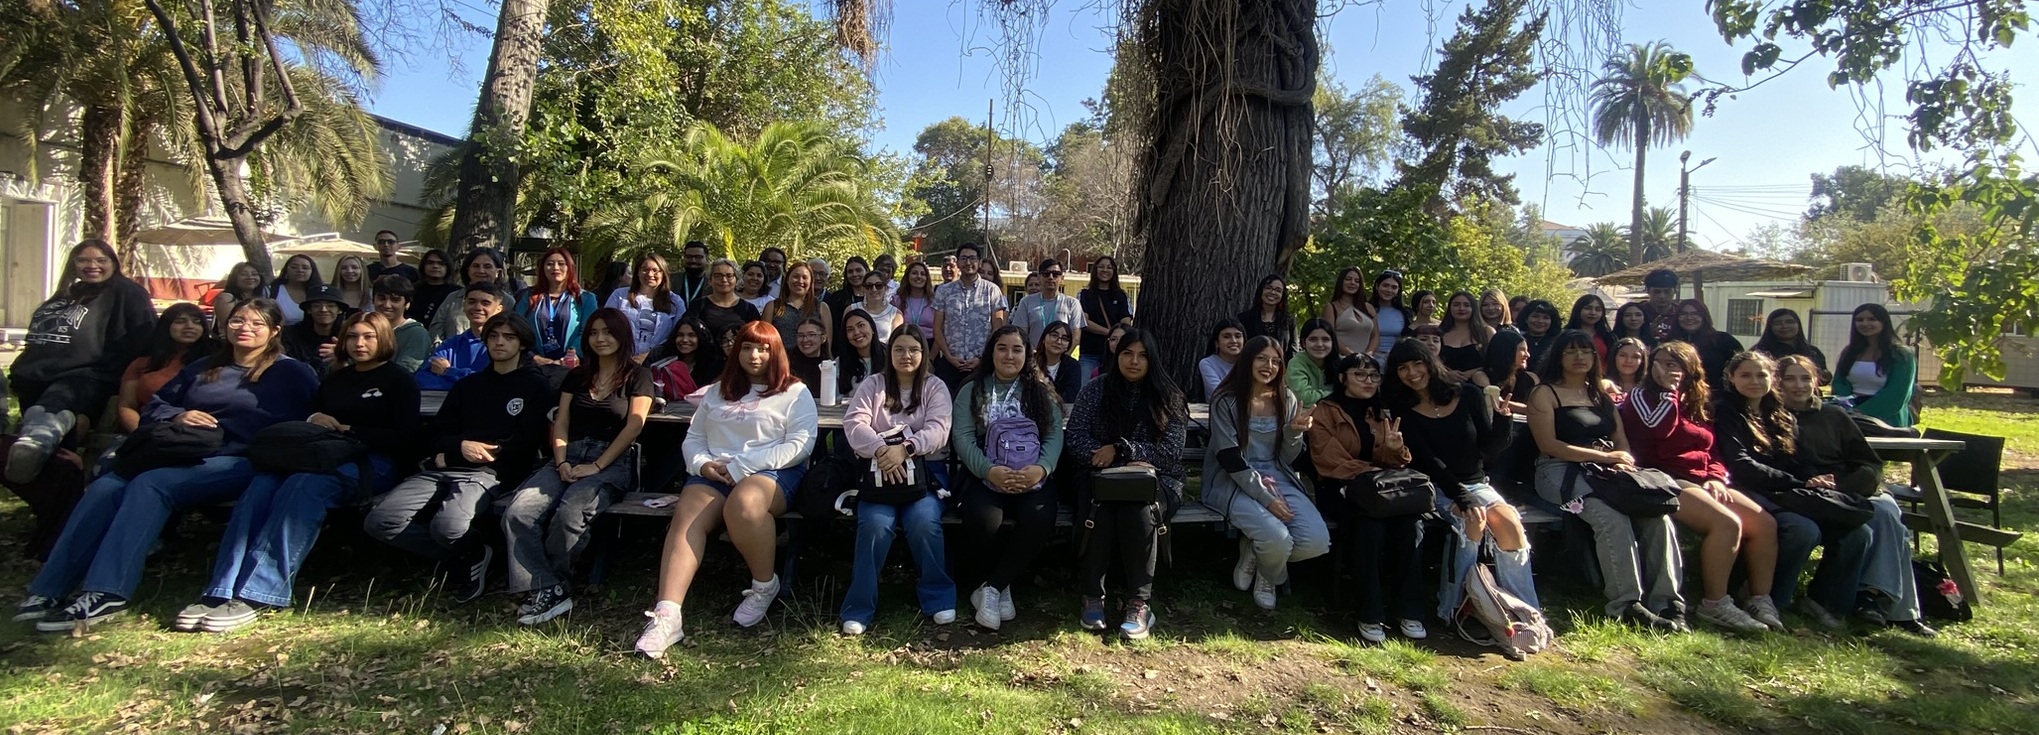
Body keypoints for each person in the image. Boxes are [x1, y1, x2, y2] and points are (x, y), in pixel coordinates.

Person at [16, 299, 318, 630]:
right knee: (105, 487)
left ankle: (107, 591)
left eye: (257, 323)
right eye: (237, 321)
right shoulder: (204, 367)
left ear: (274, 331)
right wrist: (179, 415)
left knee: (152, 485)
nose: (245, 328)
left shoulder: (291, 373)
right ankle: (48, 589)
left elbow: (315, 415)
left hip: (242, 460)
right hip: (182, 452)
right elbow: (156, 406)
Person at [178, 311, 418, 633]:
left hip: (372, 463)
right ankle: (220, 590)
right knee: (262, 484)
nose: (359, 344)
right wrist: (316, 418)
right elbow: (313, 415)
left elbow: (406, 437)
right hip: (321, 454)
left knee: (304, 487)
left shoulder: (398, 380)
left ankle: (260, 593)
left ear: (384, 339)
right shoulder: (336, 379)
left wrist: (350, 430)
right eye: (352, 336)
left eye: (368, 337)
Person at [635, 321, 816, 657]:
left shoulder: (794, 392)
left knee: (745, 504)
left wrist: (743, 467)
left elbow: (800, 445)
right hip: (715, 472)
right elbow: (694, 437)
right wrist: (702, 464)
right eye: (747, 348)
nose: (754, 355)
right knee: (688, 514)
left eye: (763, 349)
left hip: (772, 471)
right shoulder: (718, 390)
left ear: (776, 352)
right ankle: (667, 615)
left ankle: (764, 585)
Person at [362, 313, 553, 602]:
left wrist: (461, 455)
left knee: (448, 526)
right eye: (493, 336)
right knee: (380, 520)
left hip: (490, 473)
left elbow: (526, 442)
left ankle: (468, 552)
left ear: (523, 344)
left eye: (509, 337)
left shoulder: (535, 386)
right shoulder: (469, 386)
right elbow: (435, 434)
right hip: (444, 467)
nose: (499, 342)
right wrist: (459, 447)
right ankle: (470, 554)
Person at [1753, 354, 1935, 635]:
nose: (1799, 385)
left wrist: (1844, 486)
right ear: (1777, 382)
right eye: (1790, 379)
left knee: (1887, 514)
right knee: (1867, 524)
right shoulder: (1771, 417)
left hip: (1850, 489)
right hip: (1807, 493)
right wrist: (1814, 484)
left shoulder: (1834, 416)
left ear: (1816, 382)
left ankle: (1887, 604)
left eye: (1805, 378)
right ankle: (1870, 600)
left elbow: (1869, 464)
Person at [501, 309, 653, 625]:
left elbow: (634, 427)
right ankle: (548, 587)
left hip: (612, 460)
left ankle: (556, 581)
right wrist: (561, 461)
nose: (600, 338)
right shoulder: (577, 376)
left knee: (570, 512)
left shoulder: (638, 376)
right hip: (568, 455)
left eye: (608, 332)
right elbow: (561, 422)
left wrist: (597, 465)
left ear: (622, 335)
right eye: (594, 332)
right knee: (519, 511)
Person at [1527, 330, 1686, 630]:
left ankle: (1667, 601)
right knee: (1611, 519)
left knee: (1657, 516)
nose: (1579, 357)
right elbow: (1549, 445)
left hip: (1608, 470)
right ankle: (1625, 605)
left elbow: (1620, 439)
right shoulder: (1544, 393)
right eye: (1570, 351)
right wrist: (1607, 457)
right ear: (1558, 356)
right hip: (1559, 471)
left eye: (1585, 351)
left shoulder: (1599, 395)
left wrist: (1621, 460)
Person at [1621, 341, 1777, 633]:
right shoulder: (1642, 396)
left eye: (1673, 364)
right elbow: (1656, 429)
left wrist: (1716, 477)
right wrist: (1667, 392)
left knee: (1763, 524)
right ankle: (1714, 603)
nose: (1665, 369)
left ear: (1690, 368)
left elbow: (1711, 448)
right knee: (1726, 523)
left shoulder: (1699, 400)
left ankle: (1759, 599)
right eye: (1660, 363)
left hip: (1702, 479)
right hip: (1662, 477)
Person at [1380, 339, 1540, 622]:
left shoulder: (1468, 394)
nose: (1412, 373)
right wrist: (1462, 497)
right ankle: (1455, 608)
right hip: (1434, 486)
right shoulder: (1402, 407)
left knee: (1510, 523)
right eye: (1403, 368)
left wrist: (1503, 421)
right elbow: (1429, 461)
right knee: (1473, 520)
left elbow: (1488, 449)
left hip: (1475, 482)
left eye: (1417, 364)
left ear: (1430, 363)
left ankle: (1524, 610)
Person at [1065, 328, 1188, 640]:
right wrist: (1110, 461)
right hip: (1098, 475)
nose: (1134, 361)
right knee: (1099, 508)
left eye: (1142, 355)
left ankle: (1139, 602)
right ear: (1116, 355)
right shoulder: (1095, 390)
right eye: (1127, 353)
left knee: (1140, 511)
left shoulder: (1168, 395)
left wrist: (1121, 450)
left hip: (1158, 480)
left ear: (1152, 359)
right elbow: (1076, 437)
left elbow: (1170, 452)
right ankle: (1092, 595)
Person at [836, 324, 955, 635]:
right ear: (889, 353)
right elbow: (854, 424)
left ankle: (939, 596)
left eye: (914, 350)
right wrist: (881, 451)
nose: (906, 355)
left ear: (923, 353)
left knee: (924, 521)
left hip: (925, 476)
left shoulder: (934, 387)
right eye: (899, 349)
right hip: (878, 475)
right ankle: (859, 607)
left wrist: (906, 449)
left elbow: (939, 429)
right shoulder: (873, 385)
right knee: (875, 524)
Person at [6, 240, 157, 482]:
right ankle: (54, 483)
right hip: (35, 378)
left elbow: (145, 337)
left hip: (86, 375)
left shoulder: (127, 293)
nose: (92, 265)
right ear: (73, 264)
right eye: (83, 260)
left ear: (113, 263)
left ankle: (36, 444)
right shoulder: (70, 292)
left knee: (56, 410)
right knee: (70, 427)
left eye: (101, 260)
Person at [950, 326, 1064, 630]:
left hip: (1032, 475)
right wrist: (989, 471)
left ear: (1027, 354)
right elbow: (962, 438)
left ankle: (992, 587)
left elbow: (1054, 435)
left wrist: (1041, 469)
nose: (1009, 355)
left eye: (1017, 349)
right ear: (991, 352)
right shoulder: (971, 389)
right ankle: (1001, 586)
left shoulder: (1040, 390)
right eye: (1002, 348)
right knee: (984, 518)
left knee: (1040, 517)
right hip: (985, 474)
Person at [1205, 336, 1327, 611]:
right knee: (1277, 538)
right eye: (1261, 358)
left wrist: (1293, 432)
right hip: (1233, 480)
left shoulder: (1287, 398)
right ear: (1248, 360)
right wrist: (1266, 499)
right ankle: (1270, 577)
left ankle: (1259, 558)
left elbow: (1286, 458)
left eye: (1275, 361)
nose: (1268, 366)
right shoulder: (1225, 400)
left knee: (1316, 542)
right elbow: (1229, 458)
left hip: (1278, 475)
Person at [1307, 353, 1421, 642]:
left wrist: (1394, 449)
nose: (1368, 381)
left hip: (1379, 490)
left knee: (1411, 525)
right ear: (1342, 378)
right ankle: (1369, 612)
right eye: (1360, 374)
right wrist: (1368, 470)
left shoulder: (1381, 413)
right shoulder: (1325, 411)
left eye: (1373, 375)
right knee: (1370, 527)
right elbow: (1327, 458)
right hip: (1338, 488)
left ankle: (1408, 609)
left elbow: (1394, 463)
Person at [115, 305, 217, 434]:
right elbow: (127, 405)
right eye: (180, 321)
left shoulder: (216, 362)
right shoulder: (142, 363)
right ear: (166, 326)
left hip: (205, 433)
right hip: (152, 432)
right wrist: (141, 435)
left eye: (197, 322)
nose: (189, 326)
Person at [932, 243, 1008, 392]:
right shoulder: (944, 291)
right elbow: (937, 328)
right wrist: (949, 357)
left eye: (972, 258)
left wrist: (982, 358)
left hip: (982, 365)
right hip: (950, 364)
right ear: (958, 263)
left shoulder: (992, 290)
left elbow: (997, 328)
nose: (968, 262)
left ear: (979, 262)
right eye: (964, 258)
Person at [1832, 303, 1916, 427]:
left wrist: (1862, 412)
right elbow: (1839, 382)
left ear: (1884, 322)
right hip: (1849, 418)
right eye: (1859, 320)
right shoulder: (1849, 352)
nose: (1865, 323)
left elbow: (1897, 393)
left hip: (1887, 419)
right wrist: (1848, 408)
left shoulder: (1901, 355)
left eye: (1872, 319)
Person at [416, 284, 510, 390]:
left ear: (499, 309)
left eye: (485, 303)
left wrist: (448, 371)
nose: (478, 307)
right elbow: (422, 379)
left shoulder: (503, 345)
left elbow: (496, 382)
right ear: (464, 305)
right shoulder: (450, 345)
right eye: (472, 302)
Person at [514, 247, 598, 364]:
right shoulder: (528, 296)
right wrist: (534, 357)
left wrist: (571, 356)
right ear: (542, 268)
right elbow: (516, 328)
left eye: (561, 264)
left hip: (572, 366)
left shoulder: (585, 298)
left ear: (570, 268)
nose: (555, 268)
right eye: (550, 264)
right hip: (533, 364)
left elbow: (588, 331)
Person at [427, 248, 509, 343]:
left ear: (498, 272)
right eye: (475, 266)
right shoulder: (453, 297)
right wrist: (445, 349)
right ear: (468, 270)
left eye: (487, 266)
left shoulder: (507, 301)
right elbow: (436, 329)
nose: (481, 271)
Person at [1078, 255, 1134, 380]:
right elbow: (1084, 321)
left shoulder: (1121, 295)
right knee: (1084, 386)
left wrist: (1116, 336)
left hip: (1115, 353)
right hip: (1090, 353)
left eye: (1109, 267)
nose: (1105, 270)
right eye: (1101, 267)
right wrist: (1110, 333)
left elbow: (1126, 321)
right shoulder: (1085, 294)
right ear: (1095, 270)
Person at [1670, 299, 1745, 390]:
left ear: (1704, 316)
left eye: (1695, 314)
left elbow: (1743, 366)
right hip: (1679, 393)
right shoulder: (1670, 343)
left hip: (1716, 395)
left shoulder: (1723, 340)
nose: (1689, 318)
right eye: (1683, 314)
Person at [688, 258, 764, 343]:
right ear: (710, 280)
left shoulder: (749, 309)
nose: (724, 280)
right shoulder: (697, 306)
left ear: (737, 279)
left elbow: (756, 339)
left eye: (729, 276)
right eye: (718, 276)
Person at [1012, 258, 1082, 347]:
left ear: (1062, 278)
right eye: (1046, 274)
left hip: (1061, 354)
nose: (1050, 277)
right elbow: (1021, 334)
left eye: (1055, 274)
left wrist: (1065, 355)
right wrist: (1031, 354)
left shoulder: (1072, 304)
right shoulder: (1026, 302)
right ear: (1039, 277)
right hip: (1034, 354)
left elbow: (1075, 338)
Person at [646, 315, 717, 402]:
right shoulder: (658, 356)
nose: (685, 340)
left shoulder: (712, 362)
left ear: (700, 338)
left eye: (692, 335)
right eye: (680, 335)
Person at [281, 286, 347, 378]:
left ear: (340, 310)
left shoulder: (349, 335)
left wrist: (342, 355)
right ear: (309, 310)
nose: (323, 310)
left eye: (331, 305)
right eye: (317, 305)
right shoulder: (289, 335)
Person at [371, 275, 432, 373]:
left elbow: (406, 371)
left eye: (395, 300)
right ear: (373, 300)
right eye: (381, 298)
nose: (387, 305)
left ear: (407, 304)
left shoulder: (417, 334)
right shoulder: (362, 329)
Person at [766, 261, 833, 350]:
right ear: (787, 279)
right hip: (780, 357)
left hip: (812, 358)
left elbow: (827, 344)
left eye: (805, 277)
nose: (800, 281)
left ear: (811, 282)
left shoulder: (821, 307)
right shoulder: (773, 306)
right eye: (795, 276)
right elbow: (764, 339)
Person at [1751, 308, 1829, 382]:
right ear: (1770, 327)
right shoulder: (1759, 352)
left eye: (1790, 322)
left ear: (1798, 324)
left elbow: (1822, 379)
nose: (1784, 326)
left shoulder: (1813, 351)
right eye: (1777, 323)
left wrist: (1825, 376)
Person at [1470, 329, 1537, 415]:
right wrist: (1532, 410)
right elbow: (1495, 401)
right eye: (1522, 350)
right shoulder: (1482, 376)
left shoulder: (1532, 378)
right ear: (1507, 351)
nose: (1527, 355)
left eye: (1527, 350)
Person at [1321, 267, 1376, 359]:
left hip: (1366, 361)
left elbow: (1375, 336)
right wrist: (1352, 356)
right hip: (1341, 360)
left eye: (1357, 281)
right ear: (1341, 281)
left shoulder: (1368, 308)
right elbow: (1329, 336)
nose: (1352, 283)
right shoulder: (1331, 308)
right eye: (1348, 279)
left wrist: (1368, 355)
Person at [1287, 318, 1339, 409]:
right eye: (1313, 339)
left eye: (1325, 339)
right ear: (1303, 343)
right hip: (1305, 415)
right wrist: (1337, 395)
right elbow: (1303, 398)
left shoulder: (1342, 363)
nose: (1319, 344)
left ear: (1332, 342)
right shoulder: (1296, 364)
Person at [1437, 291, 1489, 380]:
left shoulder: (1487, 332)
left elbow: (1494, 361)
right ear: (1450, 308)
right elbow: (1431, 359)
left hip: (1479, 383)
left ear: (1473, 308)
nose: (1461, 308)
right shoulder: (1439, 333)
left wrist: (1473, 372)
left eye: (1466, 305)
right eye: (1456, 305)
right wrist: (1446, 373)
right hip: (1446, 382)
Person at [1238, 275, 1295, 353]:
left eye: (1278, 290)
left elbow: (1293, 350)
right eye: (1268, 288)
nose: (1273, 292)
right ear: (1261, 291)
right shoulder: (1244, 319)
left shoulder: (1289, 320)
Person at [825, 256, 867, 356]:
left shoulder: (874, 296)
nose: (854, 274)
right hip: (844, 351)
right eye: (850, 272)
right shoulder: (837, 298)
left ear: (867, 271)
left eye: (858, 270)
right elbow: (833, 329)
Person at [837, 310, 887, 396]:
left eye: (861, 325)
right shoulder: (840, 362)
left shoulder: (889, 356)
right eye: (850, 330)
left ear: (872, 328)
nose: (856, 332)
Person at [210, 262, 268, 335]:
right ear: (234, 278)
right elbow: (230, 326)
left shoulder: (263, 297)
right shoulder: (226, 298)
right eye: (244, 274)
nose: (250, 277)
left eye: (254, 274)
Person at [1197, 318, 1248, 400]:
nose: (1233, 341)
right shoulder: (1208, 363)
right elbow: (1219, 392)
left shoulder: (1250, 362)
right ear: (1217, 343)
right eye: (1226, 337)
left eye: (1238, 336)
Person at [407, 249, 460, 327]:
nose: (435, 266)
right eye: (430, 263)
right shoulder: (411, 289)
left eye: (441, 263)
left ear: (447, 267)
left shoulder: (457, 293)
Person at [850, 270, 904, 345]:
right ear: (864, 288)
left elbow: (896, 342)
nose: (874, 289)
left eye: (878, 285)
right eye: (869, 286)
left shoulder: (896, 314)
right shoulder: (852, 309)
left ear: (886, 288)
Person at [267, 254, 323, 326]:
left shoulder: (320, 293)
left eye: (305, 268)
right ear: (286, 270)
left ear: (312, 271)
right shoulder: (271, 291)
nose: (300, 270)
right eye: (294, 267)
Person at [1368, 270, 1410, 362]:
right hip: (1368, 359)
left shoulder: (1404, 313)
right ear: (1377, 286)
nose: (1389, 290)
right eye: (1385, 285)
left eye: (1394, 287)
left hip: (1395, 360)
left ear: (1398, 290)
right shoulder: (1365, 309)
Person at [1035, 320, 1082, 403]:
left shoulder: (1072, 366)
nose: (1058, 341)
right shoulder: (1031, 362)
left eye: (1064, 339)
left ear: (1068, 345)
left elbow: (1071, 396)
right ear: (1043, 339)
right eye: (1054, 335)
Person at [895, 260, 939, 342]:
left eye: (923, 274)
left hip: (931, 343)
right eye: (914, 273)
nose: (919, 276)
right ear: (907, 276)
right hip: (905, 343)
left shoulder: (935, 301)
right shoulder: (897, 300)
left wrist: (933, 351)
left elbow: (940, 330)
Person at [1565, 295, 1615, 363]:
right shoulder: (1566, 336)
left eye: (1598, 310)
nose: (1593, 313)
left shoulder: (1608, 337)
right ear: (1578, 310)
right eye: (1588, 308)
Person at [1516, 299, 1562, 371]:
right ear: (1526, 319)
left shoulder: (1558, 342)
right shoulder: (1517, 341)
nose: (1540, 321)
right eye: (1535, 316)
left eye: (1546, 318)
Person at [788, 317, 830, 392]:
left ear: (823, 338)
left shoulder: (829, 365)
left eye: (811, 335)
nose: (805, 339)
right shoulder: (787, 364)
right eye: (801, 335)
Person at [1606, 337, 1650, 402]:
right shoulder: (1603, 384)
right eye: (1623, 355)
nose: (1628, 361)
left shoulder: (1649, 386)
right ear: (1614, 357)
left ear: (1642, 361)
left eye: (1635, 357)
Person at [1642, 269, 1681, 342]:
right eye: (1657, 292)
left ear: (1676, 290)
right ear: (1647, 290)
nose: (1662, 296)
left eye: (1667, 292)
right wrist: (1647, 334)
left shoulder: (1682, 313)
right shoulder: (1637, 312)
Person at [672, 241, 711, 307]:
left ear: (706, 259)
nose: (693, 260)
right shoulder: (671, 279)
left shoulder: (713, 283)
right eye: (689, 257)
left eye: (698, 257)